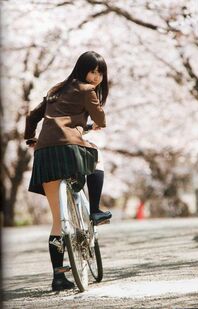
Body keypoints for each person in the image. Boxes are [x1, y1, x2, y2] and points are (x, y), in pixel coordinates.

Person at [24, 51, 112, 291]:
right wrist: (98, 125)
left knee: (57, 221)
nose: (96, 77)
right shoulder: (87, 91)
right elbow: (99, 116)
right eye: (92, 71)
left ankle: (58, 276)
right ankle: (94, 211)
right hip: (70, 148)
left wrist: (30, 138)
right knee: (96, 157)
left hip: (45, 154)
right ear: (82, 69)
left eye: (99, 72)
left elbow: (32, 116)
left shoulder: (56, 89)